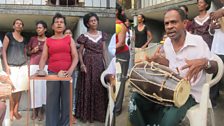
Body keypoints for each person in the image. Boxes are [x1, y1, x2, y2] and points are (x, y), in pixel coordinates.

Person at [128, 7, 218, 126]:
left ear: (184, 23)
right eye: (166, 23)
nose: (169, 26)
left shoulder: (198, 42)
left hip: (189, 93)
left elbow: (215, 67)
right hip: (167, 87)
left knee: (167, 122)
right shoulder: (167, 43)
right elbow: (170, 63)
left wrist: (205, 63)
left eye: (174, 22)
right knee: (135, 99)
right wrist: (158, 60)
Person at [39, 13, 78, 126]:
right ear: (52, 26)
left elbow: (75, 56)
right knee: (52, 102)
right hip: (52, 73)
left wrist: (70, 71)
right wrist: (41, 69)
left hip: (68, 74)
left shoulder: (69, 39)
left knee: (67, 101)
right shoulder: (48, 40)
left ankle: (65, 124)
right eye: (57, 22)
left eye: (61, 22)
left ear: (64, 26)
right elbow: (44, 57)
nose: (59, 24)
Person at [75, 12, 108, 123]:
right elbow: (80, 52)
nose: (94, 22)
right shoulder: (84, 36)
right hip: (87, 63)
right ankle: (86, 115)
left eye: (95, 20)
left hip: (99, 64)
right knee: (87, 88)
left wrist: (107, 65)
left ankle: (98, 115)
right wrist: (82, 64)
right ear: (87, 24)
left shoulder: (102, 34)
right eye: (91, 21)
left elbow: (104, 50)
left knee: (99, 87)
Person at [2, 19, 28, 120]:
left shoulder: (24, 39)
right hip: (11, 66)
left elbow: (25, 53)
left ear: (22, 27)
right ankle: (11, 111)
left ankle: (16, 110)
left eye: (21, 24)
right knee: (12, 90)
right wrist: (6, 65)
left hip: (23, 66)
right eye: (17, 23)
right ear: (13, 26)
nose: (19, 25)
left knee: (20, 89)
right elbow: (3, 50)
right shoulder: (8, 35)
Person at [27, 20, 48, 121]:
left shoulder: (48, 40)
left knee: (43, 88)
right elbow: (27, 52)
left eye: (40, 28)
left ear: (45, 29)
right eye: (37, 28)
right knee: (34, 88)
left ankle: (41, 111)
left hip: (45, 66)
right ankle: (34, 110)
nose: (38, 29)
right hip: (34, 65)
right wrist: (32, 51)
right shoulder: (32, 39)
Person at [115, 3, 130, 116]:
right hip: (114, 56)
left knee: (120, 81)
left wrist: (110, 49)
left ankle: (117, 108)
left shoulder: (121, 25)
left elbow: (121, 43)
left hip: (122, 55)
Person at [209, 1, 224, 107]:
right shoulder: (217, 11)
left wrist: (222, 12)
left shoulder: (220, 11)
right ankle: (212, 100)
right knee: (215, 74)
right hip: (216, 49)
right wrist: (212, 28)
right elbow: (211, 33)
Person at [64, 27, 79, 124]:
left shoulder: (75, 44)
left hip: (73, 71)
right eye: (66, 33)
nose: (68, 34)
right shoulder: (62, 45)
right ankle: (63, 114)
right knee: (63, 93)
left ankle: (71, 114)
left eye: (70, 33)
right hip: (62, 72)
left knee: (72, 93)